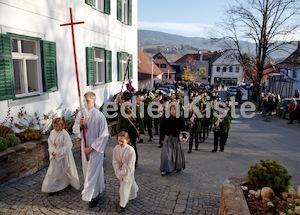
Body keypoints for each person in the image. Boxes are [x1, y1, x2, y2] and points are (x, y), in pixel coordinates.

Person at [73, 91, 109, 207]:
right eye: (84, 101)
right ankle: (97, 190)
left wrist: (92, 147)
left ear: (93, 100)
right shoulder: (81, 115)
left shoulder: (99, 116)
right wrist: (80, 125)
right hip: (85, 146)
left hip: (95, 148)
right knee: (87, 170)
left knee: (92, 171)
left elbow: (104, 135)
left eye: (87, 101)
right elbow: (75, 130)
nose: (85, 103)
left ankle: (92, 196)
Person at [42, 118, 80, 195]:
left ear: (61, 126)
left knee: (62, 170)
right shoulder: (52, 132)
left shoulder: (64, 134)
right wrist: (52, 150)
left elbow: (68, 146)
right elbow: (50, 142)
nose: (55, 128)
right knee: (53, 171)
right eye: (54, 126)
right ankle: (52, 187)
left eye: (57, 127)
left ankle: (64, 183)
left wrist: (58, 152)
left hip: (62, 155)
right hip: (54, 155)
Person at [112, 131, 139, 213]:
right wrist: (118, 170)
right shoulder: (116, 148)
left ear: (127, 140)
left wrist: (124, 170)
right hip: (120, 170)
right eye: (118, 141)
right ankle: (134, 192)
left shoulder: (131, 151)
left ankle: (122, 205)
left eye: (122, 141)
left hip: (128, 172)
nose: (120, 143)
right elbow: (115, 161)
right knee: (128, 184)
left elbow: (130, 164)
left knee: (124, 187)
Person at [116, 91, 144, 166]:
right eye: (125, 101)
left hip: (132, 132)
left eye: (128, 100)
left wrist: (142, 132)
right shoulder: (121, 109)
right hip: (123, 133)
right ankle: (125, 162)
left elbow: (140, 121)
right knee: (123, 149)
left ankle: (134, 163)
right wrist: (118, 132)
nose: (127, 102)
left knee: (133, 148)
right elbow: (119, 121)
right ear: (122, 101)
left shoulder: (136, 108)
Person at [160, 105, 186, 176]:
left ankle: (177, 167)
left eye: (173, 110)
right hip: (168, 137)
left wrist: (184, 137)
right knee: (165, 154)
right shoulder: (166, 118)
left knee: (177, 153)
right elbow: (162, 129)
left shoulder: (180, 118)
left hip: (176, 138)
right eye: (171, 110)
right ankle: (165, 168)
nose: (172, 111)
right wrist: (161, 138)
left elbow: (184, 129)